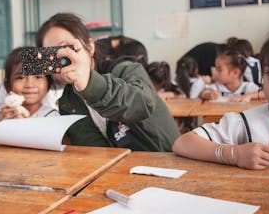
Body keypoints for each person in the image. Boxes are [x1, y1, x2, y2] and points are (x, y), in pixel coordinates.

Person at [35, 13, 180, 151]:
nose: (61, 59)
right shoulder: (69, 103)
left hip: (168, 162)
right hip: (124, 171)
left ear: (90, 47)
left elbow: (142, 105)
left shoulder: (126, 69)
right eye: (51, 56)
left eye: (66, 48)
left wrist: (88, 82)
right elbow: (96, 152)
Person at [172, 32, 269, 169]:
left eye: (219, 69)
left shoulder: (248, 87)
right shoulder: (246, 122)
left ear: (235, 73)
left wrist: (250, 96)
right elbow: (182, 143)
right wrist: (234, 154)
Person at [0, 47, 59, 146]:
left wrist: (20, 128)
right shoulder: (1, 112)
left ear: (48, 85)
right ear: (8, 86)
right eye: (20, 77)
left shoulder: (51, 117)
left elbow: (48, 145)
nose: (30, 84)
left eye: (38, 77)